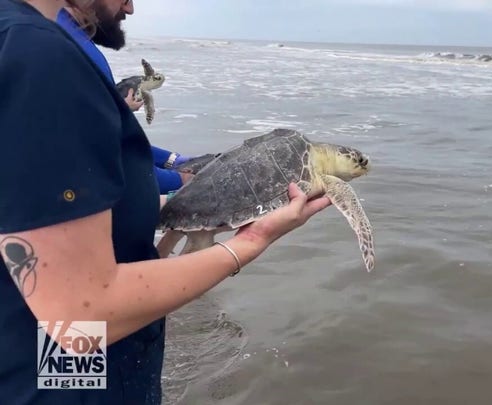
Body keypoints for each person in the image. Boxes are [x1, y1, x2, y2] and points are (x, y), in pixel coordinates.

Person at [0, 0, 331, 404]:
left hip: (42, 347)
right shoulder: (39, 56)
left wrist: (191, 212)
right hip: (63, 364)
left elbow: (44, 211)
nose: (131, 7)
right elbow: (78, 316)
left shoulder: (21, 41)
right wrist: (252, 240)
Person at [56, 0, 195, 194]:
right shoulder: (70, 49)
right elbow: (105, 157)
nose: (130, 9)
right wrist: (180, 180)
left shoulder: (54, 35)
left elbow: (107, 137)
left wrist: (171, 160)